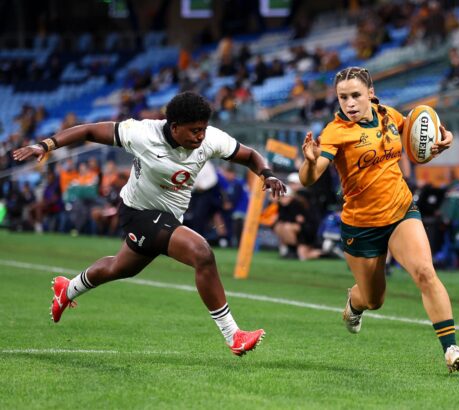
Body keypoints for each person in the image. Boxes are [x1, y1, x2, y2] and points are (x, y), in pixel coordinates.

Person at [12, 91, 287, 356]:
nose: (200, 136)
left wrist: (267, 174)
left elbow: (250, 155)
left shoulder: (210, 139)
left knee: (118, 268)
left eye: (203, 129)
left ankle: (68, 289)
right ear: (175, 126)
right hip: (137, 212)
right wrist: (46, 145)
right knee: (201, 253)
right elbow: (88, 130)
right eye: (194, 130)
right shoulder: (142, 133)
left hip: (168, 217)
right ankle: (233, 335)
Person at [298, 66, 459, 372]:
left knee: (424, 272)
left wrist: (439, 146)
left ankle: (451, 347)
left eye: (355, 96)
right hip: (361, 225)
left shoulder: (390, 116)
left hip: (401, 210)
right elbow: (310, 178)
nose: (349, 103)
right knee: (374, 299)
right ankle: (354, 305)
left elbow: (419, 147)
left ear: (371, 93)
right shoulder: (336, 132)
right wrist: (310, 163)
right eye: (343, 97)